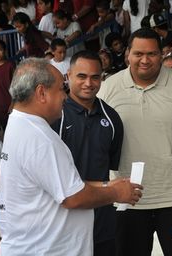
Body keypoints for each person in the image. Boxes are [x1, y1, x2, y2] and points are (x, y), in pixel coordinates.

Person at [0, 57, 142, 255]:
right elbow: (72, 197)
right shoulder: (40, 138)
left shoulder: (19, 123)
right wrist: (117, 193)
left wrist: (107, 185)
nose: (65, 96)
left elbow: (61, 185)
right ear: (41, 93)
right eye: (60, 89)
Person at [97, 28, 172, 256]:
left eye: (151, 54)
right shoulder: (107, 89)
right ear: (127, 54)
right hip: (126, 199)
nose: (144, 60)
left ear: (162, 54)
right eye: (138, 53)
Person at [51, 50, 123, 256]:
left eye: (95, 77)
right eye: (81, 76)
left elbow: (110, 167)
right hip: (63, 221)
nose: (88, 83)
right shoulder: (55, 115)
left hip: (102, 222)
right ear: (68, 76)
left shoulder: (112, 118)